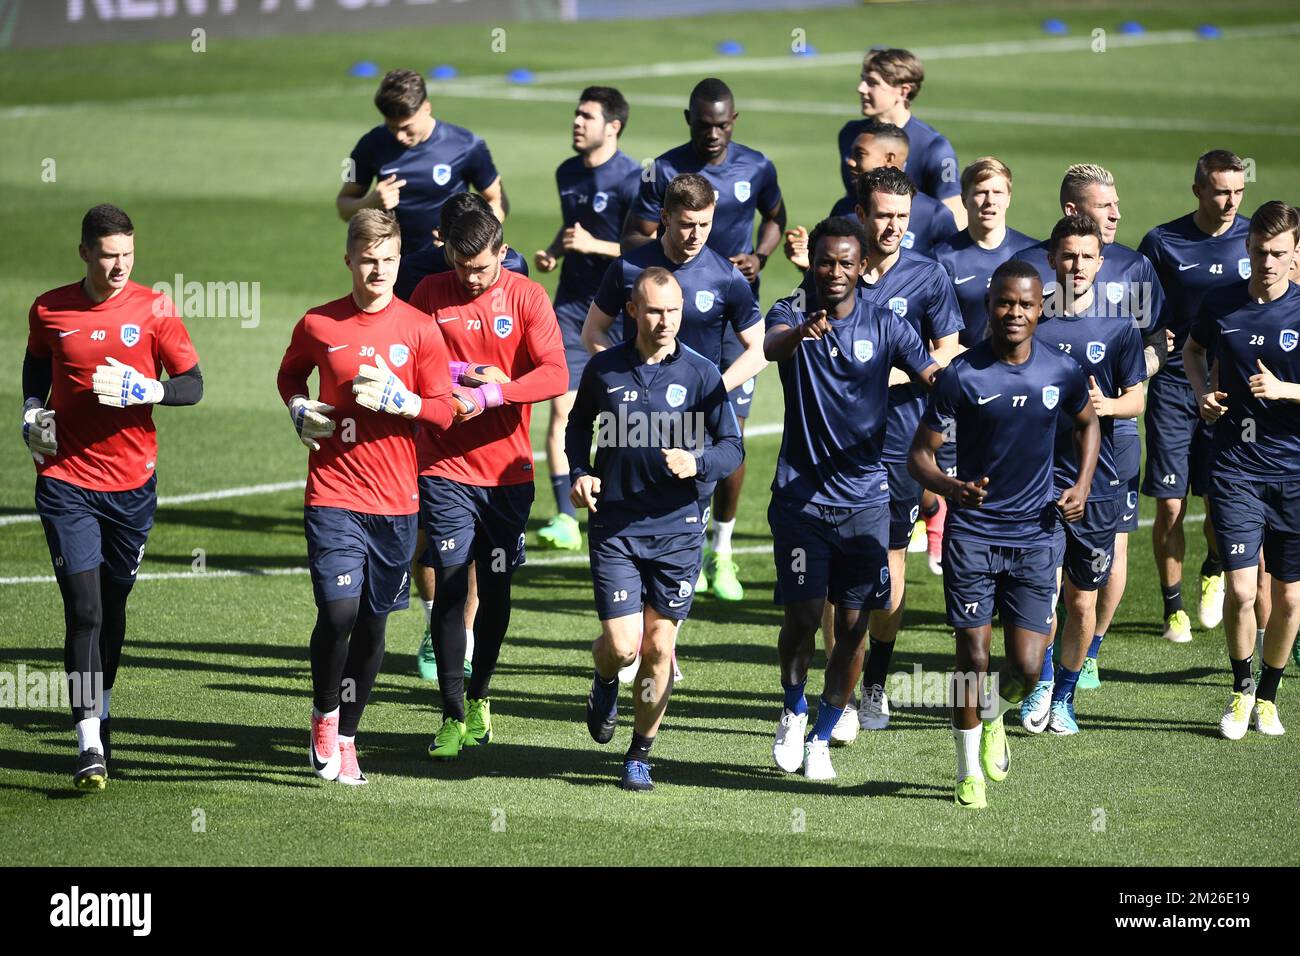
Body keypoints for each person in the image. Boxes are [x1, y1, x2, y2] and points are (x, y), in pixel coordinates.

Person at [23, 203, 203, 791]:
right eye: (108, 255)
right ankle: (88, 741)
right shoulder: (50, 308)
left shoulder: (154, 308)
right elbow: (34, 368)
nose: (120, 265)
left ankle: (100, 706)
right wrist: (31, 412)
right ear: (84, 254)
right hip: (66, 480)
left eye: (127, 253)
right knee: (86, 610)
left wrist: (150, 387)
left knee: (115, 609)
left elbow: (193, 384)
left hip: (132, 486)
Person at [909, 258, 1099, 808]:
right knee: (972, 654)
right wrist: (949, 486)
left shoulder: (1059, 371)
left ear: (1042, 309)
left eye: (1025, 304)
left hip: (1038, 536)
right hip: (972, 535)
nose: (1014, 313)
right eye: (1004, 303)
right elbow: (918, 456)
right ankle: (967, 772)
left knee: (1023, 666)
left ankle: (995, 713)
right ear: (989, 307)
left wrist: (1082, 484)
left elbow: (1087, 424)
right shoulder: (962, 376)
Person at [278, 209, 459, 786]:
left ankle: (350, 736)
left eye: (388, 260)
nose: (377, 270)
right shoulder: (318, 324)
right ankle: (324, 716)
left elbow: (442, 411)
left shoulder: (419, 330)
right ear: (349, 261)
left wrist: (406, 404)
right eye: (367, 260)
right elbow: (290, 377)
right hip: (333, 489)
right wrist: (299, 409)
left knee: (376, 625)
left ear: (399, 261)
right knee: (339, 612)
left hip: (397, 502)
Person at [765, 217, 938, 780]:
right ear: (810, 263)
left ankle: (822, 732)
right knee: (804, 617)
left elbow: (931, 372)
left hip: (866, 500)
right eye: (825, 262)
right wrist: (801, 335)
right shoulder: (791, 314)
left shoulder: (886, 325)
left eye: (846, 263)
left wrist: (988, 388)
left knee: (857, 624)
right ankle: (792, 711)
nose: (835, 272)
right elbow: (772, 346)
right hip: (800, 501)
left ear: (863, 266)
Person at [568, 268, 743, 791]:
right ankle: (603, 680)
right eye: (654, 311)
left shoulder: (702, 374)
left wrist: (699, 463)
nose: (666, 321)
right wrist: (579, 473)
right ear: (633, 312)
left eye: (673, 310)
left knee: (659, 647)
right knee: (623, 647)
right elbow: (579, 427)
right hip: (617, 525)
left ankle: (639, 754)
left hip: (678, 530)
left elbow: (732, 447)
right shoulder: (604, 370)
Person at [409, 208, 567, 760]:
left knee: (496, 593)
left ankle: (479, 697)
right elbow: (407, 360)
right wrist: (460, 376)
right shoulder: (429, 291)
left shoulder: (527, 298)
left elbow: (555, 373)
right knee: (452, 587)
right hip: (443, 465)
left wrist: (493, 393)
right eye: (461, 263)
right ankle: (451, 714)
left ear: (503, 252)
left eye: (480, 266)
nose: (470, 277)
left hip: (506, 474)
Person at [622, 77, 785, 601]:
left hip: (732, 314)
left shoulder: (757, 165)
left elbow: (776, 219)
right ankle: (668, 541)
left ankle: (722, 550)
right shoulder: (662, 168)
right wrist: (672, 257)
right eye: (703, 123)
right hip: (674, 311)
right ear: (687, 120)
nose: (713, 133)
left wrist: (759, 257)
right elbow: (632, 235)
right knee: (666, 432)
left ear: (733, 121)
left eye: (722, 124)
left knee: (727, 438)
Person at [818, 165, 962, 737]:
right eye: (883, 216)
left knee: (889, 563)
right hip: (834, 441)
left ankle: (874, 679)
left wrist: (897, 377)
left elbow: (949, 353)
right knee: (835, 569)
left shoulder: (928, 276)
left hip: (899, 442)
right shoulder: (835, 272)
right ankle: (839, 690)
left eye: (903, 218)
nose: (893, 228)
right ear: (861, 214)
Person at [586, 172, 765, 626]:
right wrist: (620, 385)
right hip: (631, 426)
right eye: (686, 224)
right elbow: (594, 332)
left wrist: (712, 390)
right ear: (664, 218)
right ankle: (639, 643)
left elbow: (760, 347)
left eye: (704, 225)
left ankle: (664, 639)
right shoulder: (629, 269)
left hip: (692, 429)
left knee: (677, 532)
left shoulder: (724, 275)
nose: (695, 235)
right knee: (628, 521)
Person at [1014, 163, 1170, 649]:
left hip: (1114, 437)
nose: (1117, 214)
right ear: (1071, 210)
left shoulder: (1132, 266)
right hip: (1044, 443)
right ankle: (1042, 658)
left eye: (1116, 204)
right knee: (1044, 561)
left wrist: (1119, 390)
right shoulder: (1025, 270)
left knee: (1111, 547)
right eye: (1106, 205)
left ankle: (1091, 648)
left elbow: (1158, 342)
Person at [1021, 216, 1145, 735]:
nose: (1075, 265)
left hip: (1097, 484)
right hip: (1037, 480)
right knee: (1040, 593)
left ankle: (1067, 697)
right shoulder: (1029, 320)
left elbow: (1138, 398)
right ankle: (1042, 684)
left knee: (1081, 598)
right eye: (1066, 255)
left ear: (1100, 262)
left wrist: (1107, 404)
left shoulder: (1119, 328)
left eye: (1085, 257)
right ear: (1051, 259)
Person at [1184, 200, 1300, 739]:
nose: (1268, 262)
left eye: (1279, 253)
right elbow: (1192, 349)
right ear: (1247, 249)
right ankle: (1240, 691)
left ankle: (1271, 697)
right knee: (1241, 590)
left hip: (1294, 474)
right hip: (1235, 468)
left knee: (1290, 598)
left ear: (1295, 253)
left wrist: (1285, 391)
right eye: (1259, 251)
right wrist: (1204, 393)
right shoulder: (1221, 302)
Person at [1139, 150, 1251, 645]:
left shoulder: (1255, 239)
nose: (1230, 201)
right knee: (1168, 505)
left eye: (1238, 191)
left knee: (1217, 499)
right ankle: (1173, 609)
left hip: (1231, 387)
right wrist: (1149, 344)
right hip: (1172, 385)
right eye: (1221, 190)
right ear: (1198, 190)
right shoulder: (1162, 242)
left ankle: (1213, 567)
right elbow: (1141, 311)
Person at [534, 86, 641, 554]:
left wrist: (595, 248)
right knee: (562, 410)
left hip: (625, 312)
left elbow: (647, 249)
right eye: (575, 114)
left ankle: (628, 505)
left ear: (612, 126)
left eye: (587, 116)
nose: (576, 122)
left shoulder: (634, 179)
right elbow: (573, 225)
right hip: (574, 309)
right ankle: (564, 517)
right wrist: (555, 252)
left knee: (628, 416)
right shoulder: (567, 172)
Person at [928, 157, 1037, 574]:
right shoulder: (943, 258)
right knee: (951, 473)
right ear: (966, 199)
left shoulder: (1029, 254)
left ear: (1009, 197)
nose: (988, 200)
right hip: (960, 385)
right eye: (980, 192)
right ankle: (945, 535)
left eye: (997, 192)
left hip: (1016, 384)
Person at [337, 69, 506, 252]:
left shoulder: (468, 145)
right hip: (396, 267)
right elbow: (343, 205)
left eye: (407, 127)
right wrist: (370, 202)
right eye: (392, 127)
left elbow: (498, 200)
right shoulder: (369, 145)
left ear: (426, 108)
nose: (400, 136)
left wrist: (466, 238)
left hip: (447, 264)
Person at [784, 122, 958, 269]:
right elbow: (831, 281)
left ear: (889, 159)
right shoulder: (844, 209)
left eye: (859, 155)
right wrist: (809, 263)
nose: (850, 162)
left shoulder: (935, 215)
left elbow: (953, 276)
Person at [838, 48, 965, 228]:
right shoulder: (850, 134)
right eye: (862, 79)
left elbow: (956, 215)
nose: (861, 88)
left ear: (903, 91)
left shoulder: (935, 148)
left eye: (872, 82)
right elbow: (853, 197)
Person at [394, 191, 528, 303]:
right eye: (459, 246)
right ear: (441, 235)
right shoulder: (410, 271)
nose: (468, 255)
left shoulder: (512, 266)